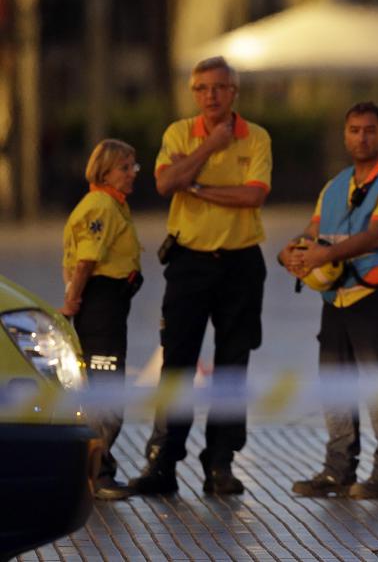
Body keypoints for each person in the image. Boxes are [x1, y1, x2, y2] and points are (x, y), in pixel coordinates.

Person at [132, 55, 272, 496]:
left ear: (234, 92)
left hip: (241, 263)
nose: (211, 95)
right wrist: (210, 146)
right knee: (176, 361)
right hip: (189, 262)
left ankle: (220, 462)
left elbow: (253, 196)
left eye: (219, 87)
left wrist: (197, 187)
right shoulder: (178, 133)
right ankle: (163, 462)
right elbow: (164, 183)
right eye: (202, 88)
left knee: (232, 365)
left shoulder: (256, 137)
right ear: (193, 93)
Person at [281, 102, 378, 500]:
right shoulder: (335, 186)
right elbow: (311, 232)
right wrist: (290, 252)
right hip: (337, 298)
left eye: (370, 130)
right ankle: (337, 471)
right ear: (345, 136)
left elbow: (377, 234)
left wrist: (323, 255)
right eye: (355, 130)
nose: (362, 137)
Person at [61, 139, 143, 501]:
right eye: (124, 167)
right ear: (104, 171)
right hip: (100, 307)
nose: (132, 174)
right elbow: (85, 261)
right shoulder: (101, 206)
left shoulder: (112, 204)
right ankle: (95, 473)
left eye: (133, 166)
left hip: (110, 305)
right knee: (105, 392)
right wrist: (73, 300)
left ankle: (98, 468)